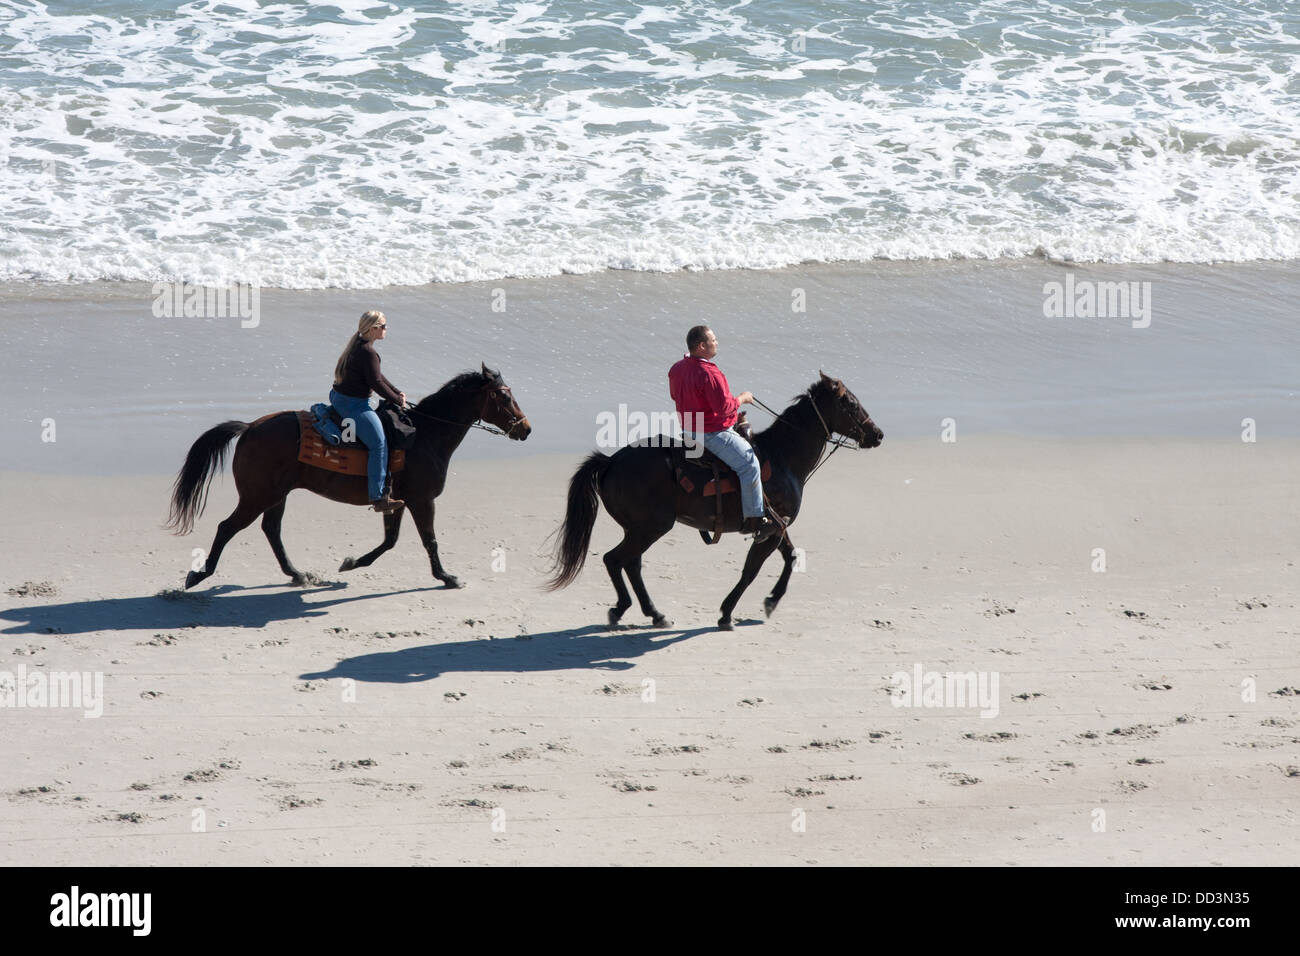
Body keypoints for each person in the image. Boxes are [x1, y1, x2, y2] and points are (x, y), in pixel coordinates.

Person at [668, 326, 780, 542]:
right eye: (713, 340)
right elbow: (726, 408)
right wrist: (743, 398)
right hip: (711, 433)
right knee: (750, 464)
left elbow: (675, 395)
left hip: (688, 430)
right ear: (701, 346)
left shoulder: (677, 368)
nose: (717, 342)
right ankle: (756, 520)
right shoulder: (710, 373)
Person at [329, 310, 407, 513]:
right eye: (383, 326)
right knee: (379, 443)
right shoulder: (368, 352)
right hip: (353, 405)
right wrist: (397, 400)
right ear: (373, 329)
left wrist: (397, 392)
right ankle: (378, 496)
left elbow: (377, 376)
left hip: (339, 398)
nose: (386, 329)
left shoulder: (359, 345)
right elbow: (376, 383)